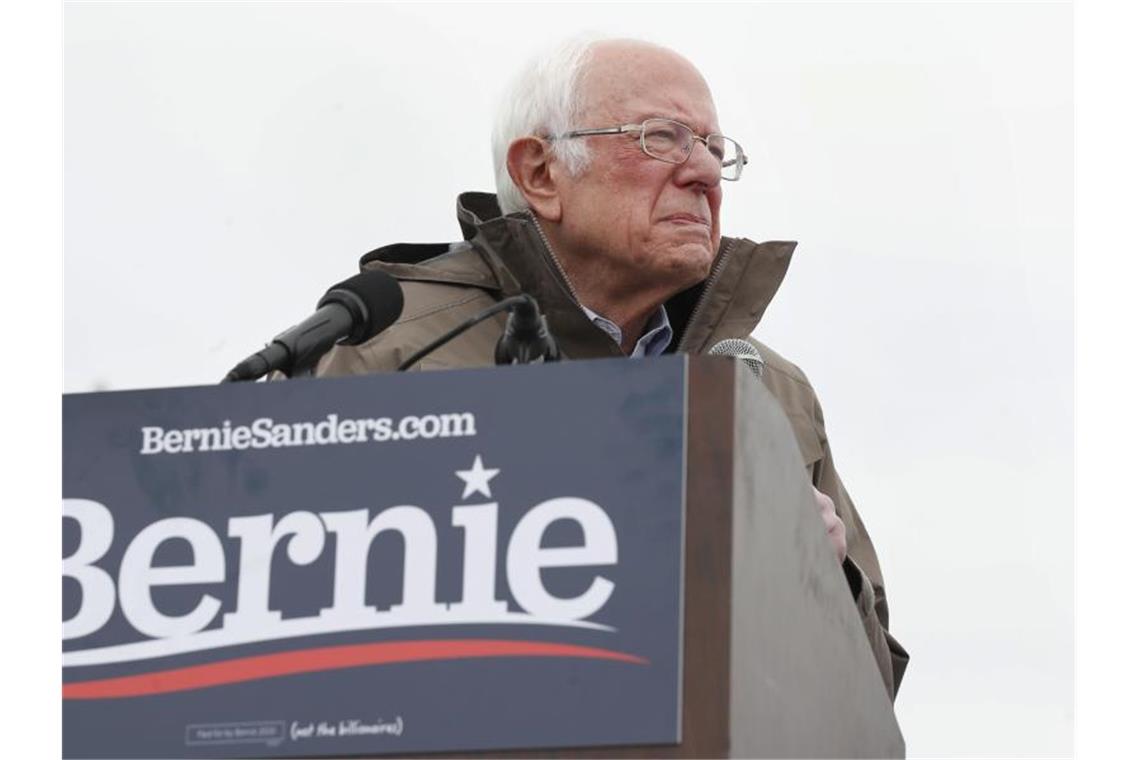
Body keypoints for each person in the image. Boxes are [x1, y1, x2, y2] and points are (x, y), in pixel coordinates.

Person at [313, 36, 908, 699]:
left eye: (714, 148)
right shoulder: (388, 349)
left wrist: (820, 579)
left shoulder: (775, 395)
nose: (705, 174)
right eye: (663, 137)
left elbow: (871, 696)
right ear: (540, 174)